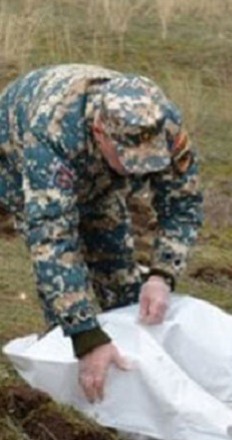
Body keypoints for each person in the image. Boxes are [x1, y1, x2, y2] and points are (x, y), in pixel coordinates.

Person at [0, 64, 203, 404]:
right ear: (99, 131)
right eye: (128, 159)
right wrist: (86, 335)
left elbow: (184, 204)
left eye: (147, 160)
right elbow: (52, 238)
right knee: (68, 301)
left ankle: (132, 379)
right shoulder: (51, 134)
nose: (137, 169)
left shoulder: (162, 122)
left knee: (121, 278)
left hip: (95, 173)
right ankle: (72, 377)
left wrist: (162, 275)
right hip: (14, 153)